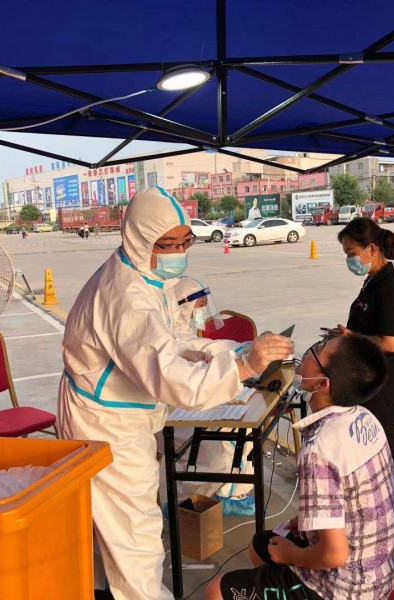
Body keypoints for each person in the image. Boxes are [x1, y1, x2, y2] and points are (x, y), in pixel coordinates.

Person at [57, 186, 293, 600]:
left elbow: (175, 340)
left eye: (186, 242)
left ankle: (102, 591)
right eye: (168, 244)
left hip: (121, 413)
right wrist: (242, 368)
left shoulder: (149, 276)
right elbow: (169, 374)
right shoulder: (125, 296)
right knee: (135, 535)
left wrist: (234, 351)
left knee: (109, 529)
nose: (179, 252)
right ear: (139, 238)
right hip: (106, 424)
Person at [207, 334, 394, 600]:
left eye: (317, 350)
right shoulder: (365, 418)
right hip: (378, 576)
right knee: (262, 544)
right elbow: (353, 499)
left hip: (344, 590)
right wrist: (308, 521)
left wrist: (291, 554)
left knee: (217, 591)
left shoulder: (319, 449)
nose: (309, 352)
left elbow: (334, 554)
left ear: (321, 384)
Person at [335, 217, 394, 527]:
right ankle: (380, 514)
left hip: (385, 384)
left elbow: (392, 342)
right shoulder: (372, 281)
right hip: (370, 379)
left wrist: (352, 337)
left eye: (351, 252)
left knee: (390, 453)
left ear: (371, 249)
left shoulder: (389, 287)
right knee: (374, 453)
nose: (349, 259)